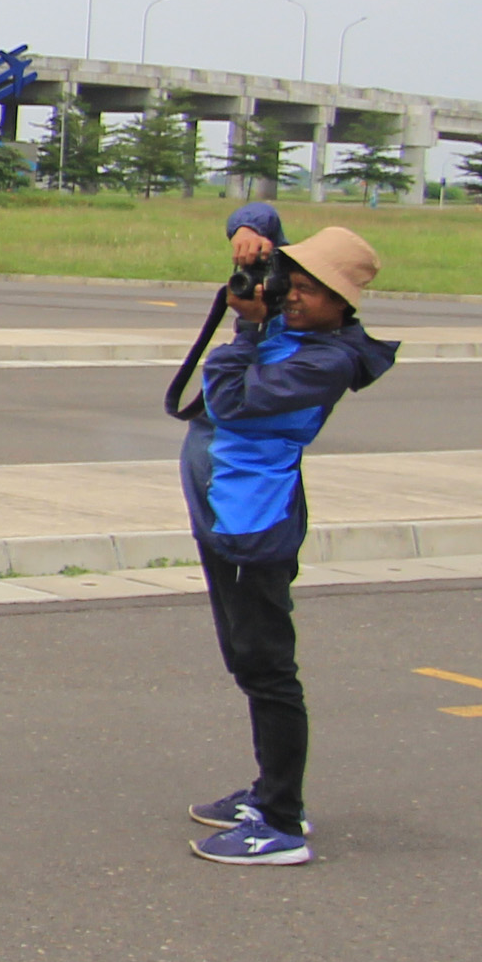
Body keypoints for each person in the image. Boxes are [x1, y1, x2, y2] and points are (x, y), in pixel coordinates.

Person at [181, 210, 396, 867]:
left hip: (254, 528)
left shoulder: (326, 358)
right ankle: (271, 790)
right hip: (229, 517)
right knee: (249, 663)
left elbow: (231, 399)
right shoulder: (297, 324)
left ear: (342, 305)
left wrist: (246, 326)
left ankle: (281, 822)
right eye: (290, 277)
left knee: (267, 669)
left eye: (309, 287)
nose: (291, 293)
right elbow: (257, 216)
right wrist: (249, 232)